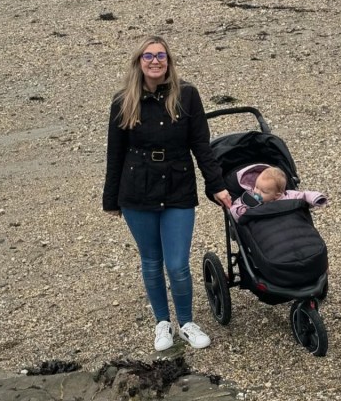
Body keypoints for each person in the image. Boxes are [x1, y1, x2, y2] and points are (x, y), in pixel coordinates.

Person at [103, 36, 231, 352]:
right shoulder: (123, 101)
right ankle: (163, 324)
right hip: (136, 190)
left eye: (161, 55)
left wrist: (217, 185)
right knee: (151, 261)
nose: (155, 61)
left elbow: (201, 145)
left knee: (176, 264)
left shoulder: (187, 95)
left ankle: (186, 322)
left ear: (169, 61)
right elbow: (115, 153)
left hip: (178, 186)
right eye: (149, 56)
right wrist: (111, 199)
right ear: (139, 62)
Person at [229, 164, 328, 220]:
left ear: (277, 195)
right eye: (256, 187)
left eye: (263, 191)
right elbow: (234, 207)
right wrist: (240, 211)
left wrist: (316, 198)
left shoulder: (288, 196)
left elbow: (304, 196)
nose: (257, 192)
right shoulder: (248, 198)